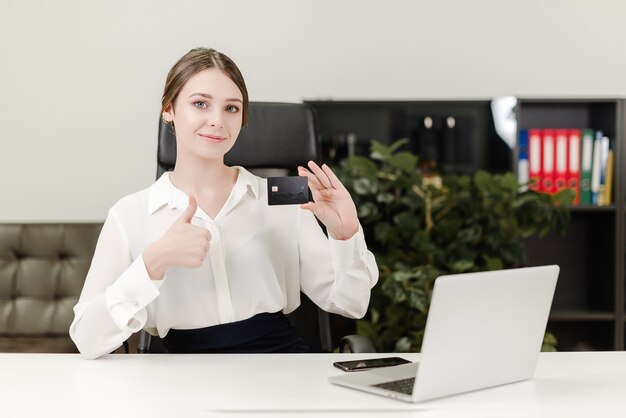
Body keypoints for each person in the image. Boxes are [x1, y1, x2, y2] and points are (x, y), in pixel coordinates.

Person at [69, 47, 378, 359]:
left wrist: (345, 233)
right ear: (169, 109)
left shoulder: (282, 195)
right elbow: (88, 338)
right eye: (200, 104)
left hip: (280, 367)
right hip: (180, 376)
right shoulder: (131, 213)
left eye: (231, 108)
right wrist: (153, 263)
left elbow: (351, 304)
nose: (217, 121)